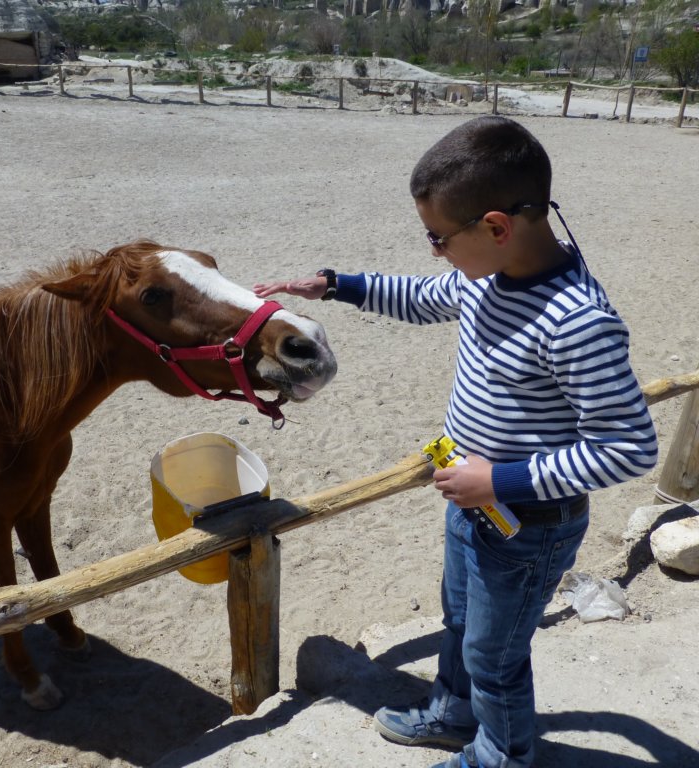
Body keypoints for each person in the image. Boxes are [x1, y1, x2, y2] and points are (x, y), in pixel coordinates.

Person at [253, 116, 658, 768]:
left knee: (495, 654)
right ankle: (453, 713)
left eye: (438, 237)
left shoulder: (577, 321)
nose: (434, 252)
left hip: (527, 521)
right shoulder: (486, 278)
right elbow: (420, 297)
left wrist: (497, 481)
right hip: (473, 499)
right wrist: (335, 285)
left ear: (497, 227)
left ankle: (503, 755)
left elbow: (628, 446)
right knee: (463, 623)